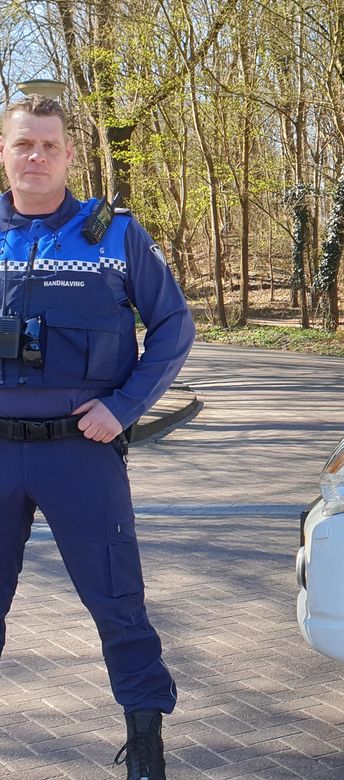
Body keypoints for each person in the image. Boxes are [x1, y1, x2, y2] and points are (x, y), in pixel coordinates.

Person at [0, 94, 194, 780]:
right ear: (4, 152)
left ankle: (145, 746)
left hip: (81, 455)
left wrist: (128, 405)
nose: (37, 157)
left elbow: (173, 325)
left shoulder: (113, 234)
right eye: (24, 144)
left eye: (50, 145)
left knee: (118, 602)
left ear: (70, 155)